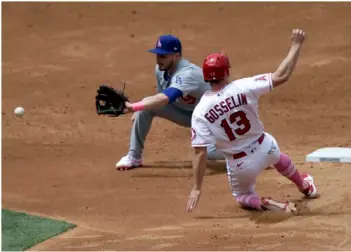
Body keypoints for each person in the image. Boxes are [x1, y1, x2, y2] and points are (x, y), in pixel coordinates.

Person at [187, 29, 318, 213]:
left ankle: (266, 204)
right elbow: (281, 76)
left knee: (242, 196)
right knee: (278, 157)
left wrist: (196, 188)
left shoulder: (200, 111)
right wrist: (296, 45)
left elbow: (200, 153)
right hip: (265, 146)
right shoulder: (243, 86)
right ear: (226, 72)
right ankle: (305, 186)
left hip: (240, 164)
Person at [116, 34, 225, 170]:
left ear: (176, 56)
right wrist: (142, 108)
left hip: (213, 118)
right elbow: (160, 96)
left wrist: (134, 107)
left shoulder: (187, 74)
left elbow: (165, 98)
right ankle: (134, 157)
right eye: (157, 55)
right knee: (146, 108)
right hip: (187, 114)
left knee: (209, 152)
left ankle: (248, 150)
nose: (158, 60)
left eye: (163, 56)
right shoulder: (160, 70)